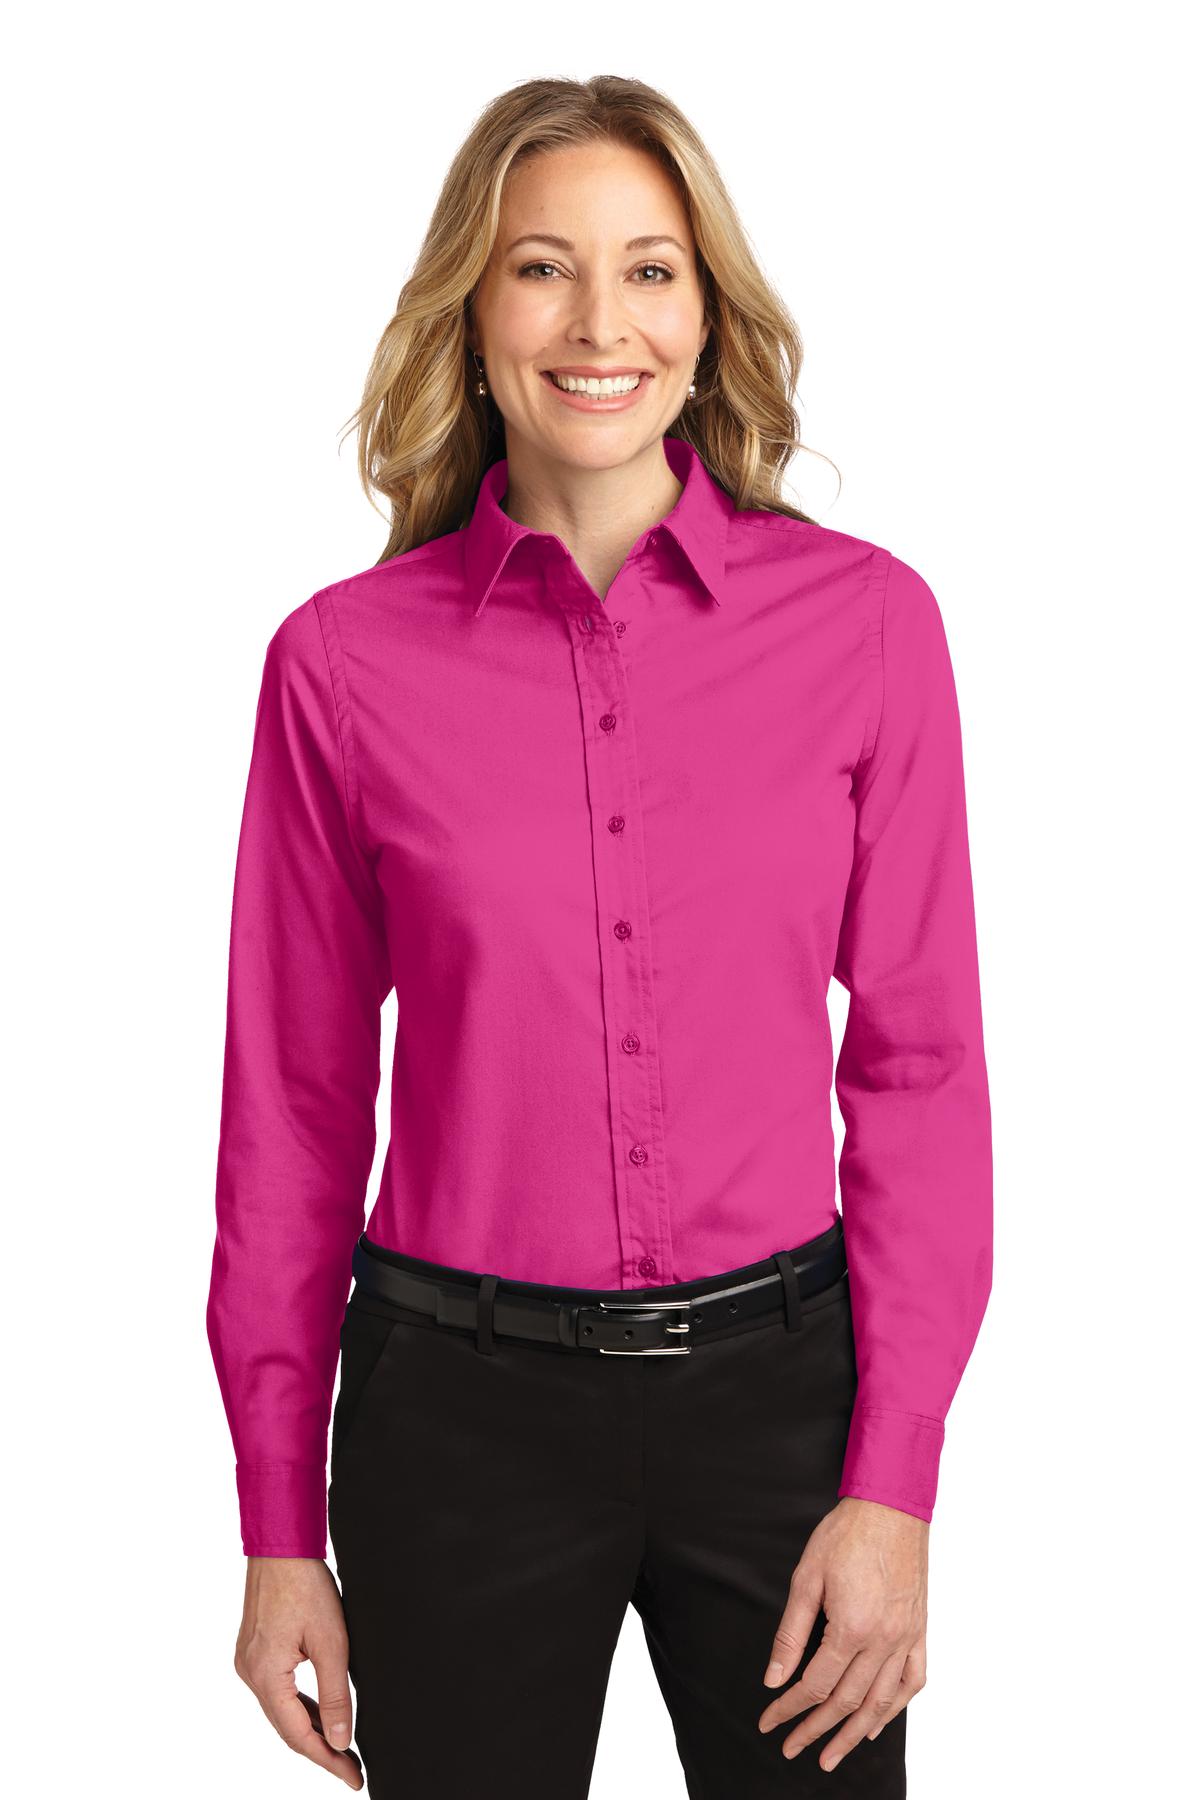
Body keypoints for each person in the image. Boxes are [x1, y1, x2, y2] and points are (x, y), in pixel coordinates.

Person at [206, 74, 992, 1799]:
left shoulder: (867, 629)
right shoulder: (341, 668)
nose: (596, 324)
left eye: (648, 270)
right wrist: (277, 1527)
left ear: (706, 318)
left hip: (785, 1415)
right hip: (457, 1422)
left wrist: (894, 1481)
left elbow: (922, 1072)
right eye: (540, 268)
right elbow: (294, 1112)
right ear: (472, 315)